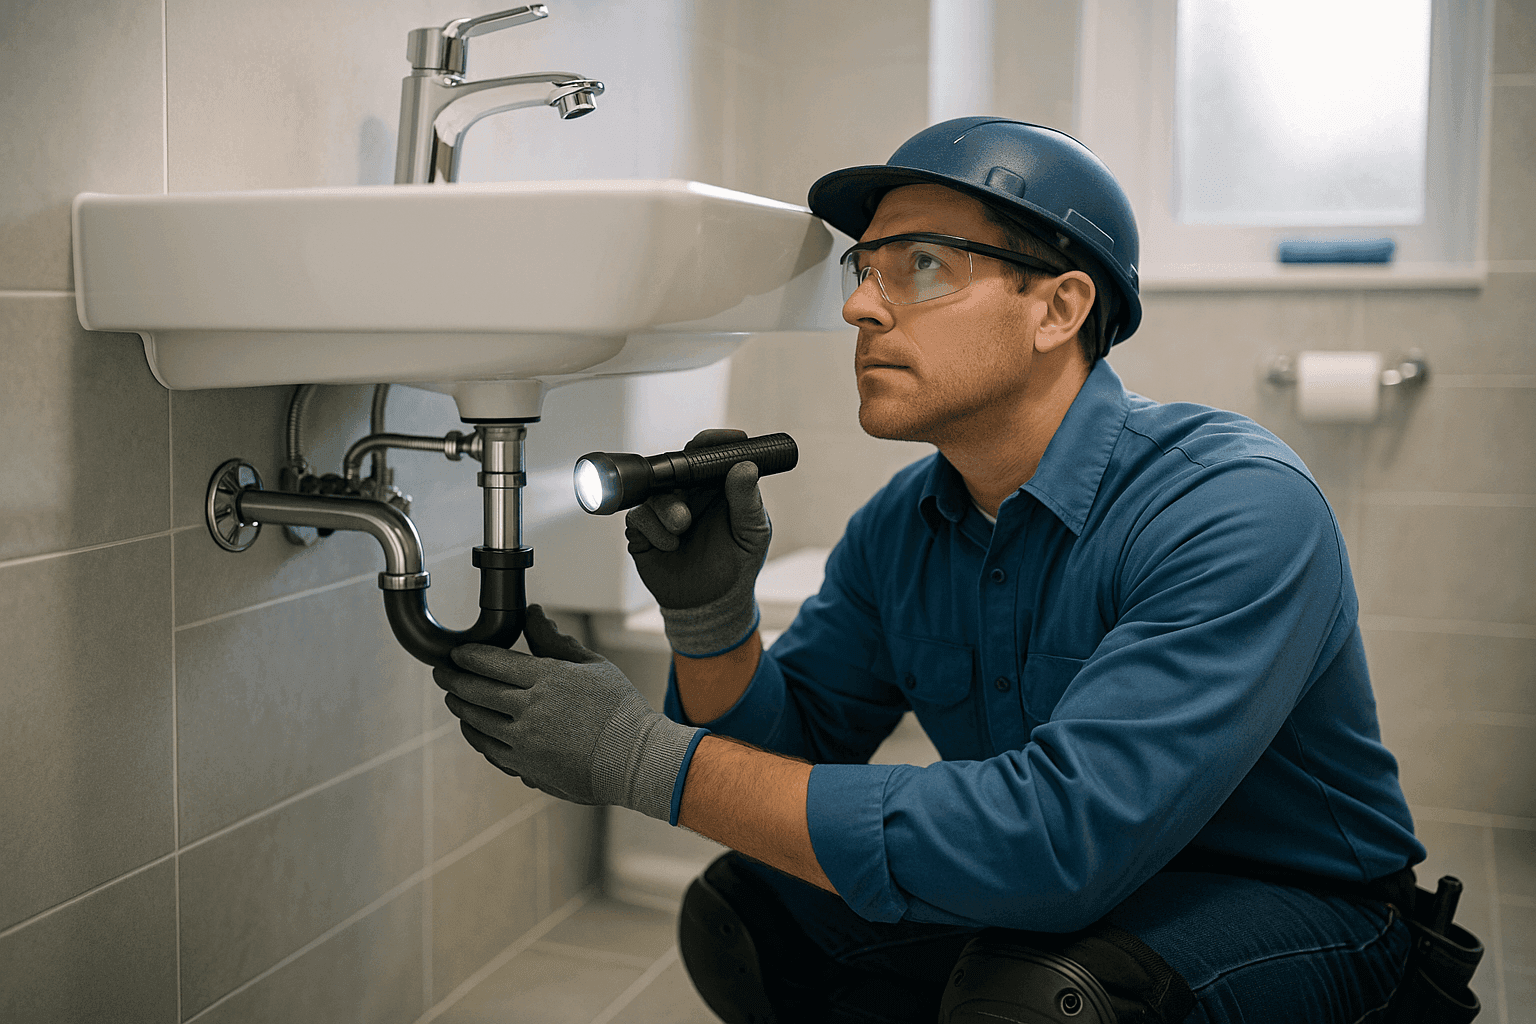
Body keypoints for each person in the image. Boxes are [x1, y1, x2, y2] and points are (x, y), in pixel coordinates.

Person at [434, 118, 1426, 1023]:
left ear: (1059, 308)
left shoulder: (1231, 505)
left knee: (1045, 1001)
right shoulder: (901, 527)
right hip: (1087, 896)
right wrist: (712, 622)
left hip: (1300, 906)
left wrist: (634, 756)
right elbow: (788, 759)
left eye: (922, 265)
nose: (860, 306)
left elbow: (1058, 844)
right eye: (865, 267)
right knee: (754, 914)